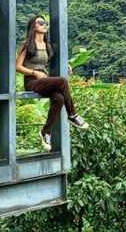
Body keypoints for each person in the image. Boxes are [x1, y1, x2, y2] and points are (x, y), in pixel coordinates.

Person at [15, 15, 88, 151]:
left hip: (44, 80)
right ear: (33, 26)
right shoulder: (27, 45)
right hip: (32, 82)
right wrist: (34, 72)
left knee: (59, 98)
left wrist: (66, 65)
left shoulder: (46, 45)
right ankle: (72, 115)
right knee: (62, 81)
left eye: (45, 23)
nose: (44, 25)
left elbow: (52, 61)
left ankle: (46, 132)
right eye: (41, 22)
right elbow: (17, 66)